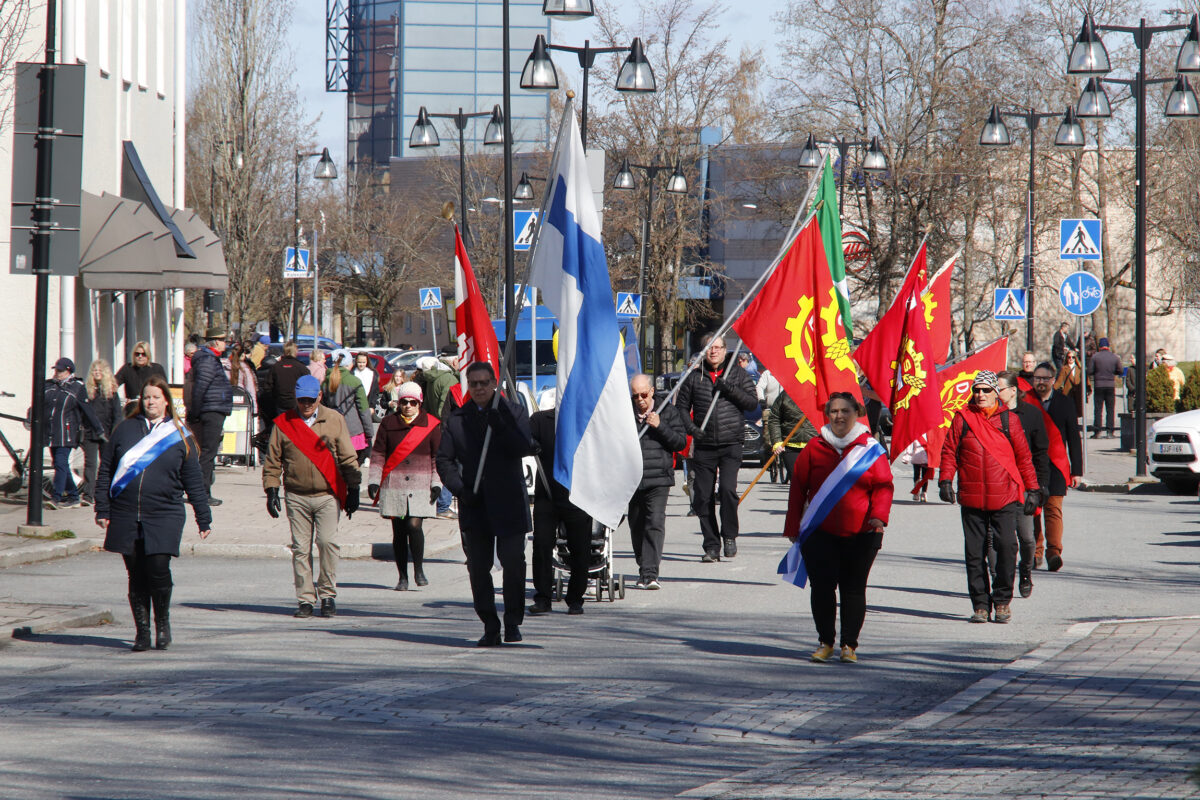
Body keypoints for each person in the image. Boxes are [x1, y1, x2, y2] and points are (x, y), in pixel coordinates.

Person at [94, 376, 211, 651]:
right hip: (126, 512)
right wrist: (102, 507)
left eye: (156, 397)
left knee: (158, 568)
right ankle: (142, 632)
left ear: (166, 401)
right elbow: (106, 471)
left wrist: (203, 516)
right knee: (136, 574)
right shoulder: (125, 430)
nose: (150, 402)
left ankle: (163, 623)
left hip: (164, 512)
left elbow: (194, 479)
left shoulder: (179, 434)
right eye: (146, 397)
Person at [783, 392, 893, 664]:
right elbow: (798, 488)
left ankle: (849, 645)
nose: (839, 416)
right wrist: (792, 525)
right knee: (822, 588)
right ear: (827, 415)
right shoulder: (814, 447)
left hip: (863, 533)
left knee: (853, 589)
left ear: (856, 413)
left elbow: (883, 486)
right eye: (834, 412)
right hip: (820, 533)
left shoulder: (870, 448)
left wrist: (879, 516)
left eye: (845, 411)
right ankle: (825, 642)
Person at [435, 362, 532, 646]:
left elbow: (524, 446)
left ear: (493, 384)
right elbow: (444, 459)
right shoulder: (457, 419)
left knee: (514, 562)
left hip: (509, 501)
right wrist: (460, 489)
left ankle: (513, 622)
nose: (478, 389)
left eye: (483, 383)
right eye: (473, 384)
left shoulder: (512, 412)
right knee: (478, 567)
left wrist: (502, 427)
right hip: (474, 503)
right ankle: (490, 625)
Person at [938, 370, 1039, 624]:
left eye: (986, 390)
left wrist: (1033, 490)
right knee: (974, 553)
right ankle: (981, 605)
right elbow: (949, 450)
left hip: (1004, 497)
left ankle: (1003, 601)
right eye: (977, 390)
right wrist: (945, 480)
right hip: (972, 498)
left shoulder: (1009, 421)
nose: (980, 394)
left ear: (996, 392)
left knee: (1007, 548)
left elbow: (1024, 458)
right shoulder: (963, 418)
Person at [263, 375, 361, 619]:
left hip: (327, 494)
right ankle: (305, 599)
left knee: (328, 543)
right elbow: (273, 460)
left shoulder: (335, 419)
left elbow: (348, 457)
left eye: (310, 399)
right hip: (297, 494)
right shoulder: (284, 423)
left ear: (319, 396)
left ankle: (327, 595)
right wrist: (271, 489)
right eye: (301, 399)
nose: (306, 404)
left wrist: (354, 488)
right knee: (300, 549)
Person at [675, 335, 758, 562]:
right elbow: (681, 407)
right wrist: (692, 429)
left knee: (728, 491)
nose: (714, 352)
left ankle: (729, 535)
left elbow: (752, 403)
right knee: (702, 496)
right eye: (709, 348)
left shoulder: (737, 373)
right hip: (704, 444)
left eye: (718, 348)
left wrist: (730, 389)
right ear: (704, 352)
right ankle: (711, 545)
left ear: (724, 350)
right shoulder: (694, 376)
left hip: (731, 442)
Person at [368, 381, 441, 591]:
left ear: (419, 402)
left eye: (412, 402)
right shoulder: (388, 423)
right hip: (395, 486)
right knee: (399, 531)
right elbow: (378, 454)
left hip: (421, 485)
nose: (408, 405)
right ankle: (402, 576)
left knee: (414, 526)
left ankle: (418, 569)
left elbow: (438, 457)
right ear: (398, 403)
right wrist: (374, 481)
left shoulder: (432, 425)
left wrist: (437, 483)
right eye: (404, 402)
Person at [528, 407, 593, 615]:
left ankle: (575, 598)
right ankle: (543, 597)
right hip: (547, 494)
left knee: (580, 549)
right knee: (542, 545)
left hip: (577, 494)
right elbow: (522, 440)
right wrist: (529, 443)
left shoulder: (586, 418)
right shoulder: (540, 419)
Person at [628, 374, 688, 590]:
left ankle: (650, 573)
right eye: (635, 396)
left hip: (658, 479)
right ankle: (643, 564)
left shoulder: (667, 411)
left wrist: (660, 425)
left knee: (654, 522)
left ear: (652, 391)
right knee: (636, 524)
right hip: (632, 479)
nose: (640, 400)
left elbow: (680, 442)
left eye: (644, 395)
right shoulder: (625, 413)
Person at [996, 371, 1049, 599]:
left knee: (1027, 538)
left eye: (999, 389)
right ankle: (999, 578)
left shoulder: (1031, 415)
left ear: (1013, 391)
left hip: (1024, 486)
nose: (995, 393)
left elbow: (1041, 454)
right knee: (998, 539)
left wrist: (1040, 487)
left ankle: (1025, 572)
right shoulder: (992, 415)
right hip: (999, 486)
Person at [1029, 362, 1083, 573]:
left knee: (1053, 510)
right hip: (1031, 464)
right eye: (1037, 378)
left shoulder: (1065, 402)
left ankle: (1054, 553)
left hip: (1057, 465)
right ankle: (1035, 552)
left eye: (1045, 378)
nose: (1040, 382)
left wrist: (1077, 470)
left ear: (1053, 380)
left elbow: (1074, 437)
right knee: (1032, 509)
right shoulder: (1026, 401)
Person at [43, 358, 102, 508]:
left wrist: (99, 429)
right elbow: (38, 404)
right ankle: (74, 496)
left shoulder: (77, 387)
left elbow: (88, 410)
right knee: (60, 464)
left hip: (66, 433)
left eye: (60, 371)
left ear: (69, 371)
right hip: (51, 432)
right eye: (56, 370)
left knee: (61, 463)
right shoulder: (48, 385)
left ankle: (56, 497)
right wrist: (30, 418)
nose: (57, 373)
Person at [186, 328, 233, 505]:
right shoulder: (207, 359)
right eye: (222, 340)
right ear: (214, 342)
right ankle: (202, 493)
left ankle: (201, 491)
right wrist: (195, 412)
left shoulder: (209, 358)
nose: (225, 344)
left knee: (207, 452)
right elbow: (201, 388)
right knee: (207, 453)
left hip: (213, 409)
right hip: (211, 410)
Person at [81, 359, 123, 504]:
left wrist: (114, 433)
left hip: (107, 433)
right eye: (94, 371)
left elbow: (118, 414)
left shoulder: (111, 392)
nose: (96, 373)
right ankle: (88, 494)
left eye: (99, 370)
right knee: (90, 464)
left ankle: (106, 492)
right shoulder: (87, 390)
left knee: (107, 464)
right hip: (90, 433)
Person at [322, 350, 373, 464]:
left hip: (332, 430)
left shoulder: (325, 382)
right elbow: (363, 410)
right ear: (350, 364)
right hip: (353, 432)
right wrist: (369, 433)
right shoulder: (355, 381)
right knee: (352, 469)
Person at [767, 392, 818, 482]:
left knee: (815, 482)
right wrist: (777, 441)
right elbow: (774, 418)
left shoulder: (821, 394)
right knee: (797, 481)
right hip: (791, 446)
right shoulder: (785, 396)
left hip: (815, 445)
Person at [1087, 337, 1122, 438]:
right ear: (1108, 346)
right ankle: (1109, 431)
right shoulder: (1114, 357)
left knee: (1098, 409)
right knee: (1110, 409)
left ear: (1100, 346)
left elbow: (1089, 371)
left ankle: (1097, 431)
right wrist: (1112, 372)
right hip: (1110, 385)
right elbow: (1119, 370)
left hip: (1098, 385)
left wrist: (1097, 373)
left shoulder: (1095, 357)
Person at [114, 341, 167, 408]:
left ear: (148, 355)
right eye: (137, 354)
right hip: (133, 407)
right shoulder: (127, 368)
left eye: (143, 354)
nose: (140, 356)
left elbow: (165, 390)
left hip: (152, 406)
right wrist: (122, 401)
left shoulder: (157, 369)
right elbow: (113, 384)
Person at [224, 342, 259, 419]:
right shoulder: (245, 369)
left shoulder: (224, 367)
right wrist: (254, 410)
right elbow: (250, 390)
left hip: (226, 403)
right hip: (242, 403)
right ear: (243, 354)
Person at [1054, 350, 1084, 419]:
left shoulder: (1079, 368)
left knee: (1077, 410)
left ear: (1075, 358)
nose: (1071, 359)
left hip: (1078, 393)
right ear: (1066, 358)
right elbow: (1059, 381)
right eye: (1069, 357)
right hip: (1068, 393)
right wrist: (1053, 389)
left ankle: (1075, 425)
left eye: (1073, 357)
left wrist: (1088, 389)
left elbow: (1085, 380)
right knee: (1069, 410)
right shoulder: (1064, 368)